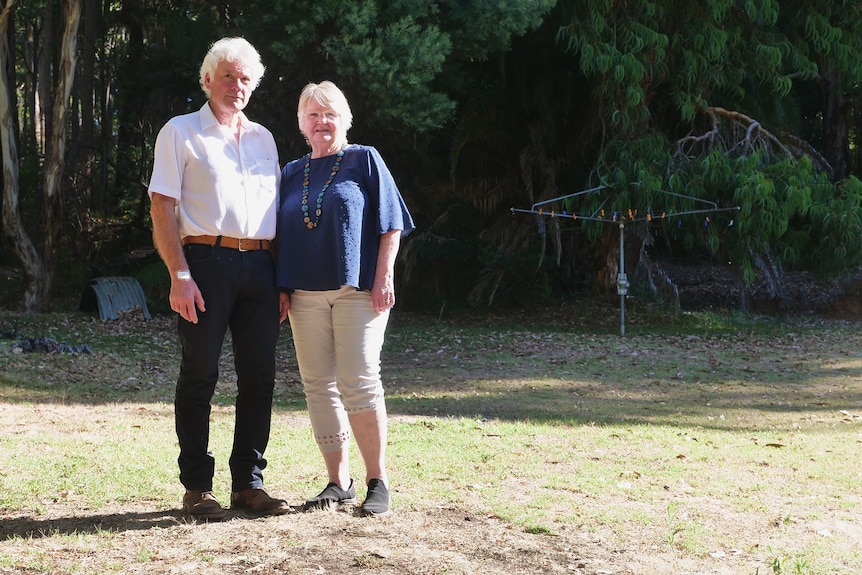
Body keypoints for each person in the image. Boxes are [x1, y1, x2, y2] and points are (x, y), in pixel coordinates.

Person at [148, 36, 291, 520]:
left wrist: (282, 279)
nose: (236, 86)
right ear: (207, 79)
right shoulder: (181, 131)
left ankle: (248, 486)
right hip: (205, 264)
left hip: (262, 268)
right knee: (200, 376)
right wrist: (179, 274)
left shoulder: (264, 138)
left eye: (245, 78)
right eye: (227, 76)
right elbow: (162, 206)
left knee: (260, 378)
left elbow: (276, 212)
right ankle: (197, 489)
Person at [276, 81, 415, 517]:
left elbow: (391, 224)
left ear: (345, 119)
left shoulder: (364, 159)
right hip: (303, 294)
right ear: (301, 122)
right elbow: (277, 236)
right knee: (319, 386)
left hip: (358, 292)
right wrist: (281, 289)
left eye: (330, 114)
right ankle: (338, 482)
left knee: (359, 380)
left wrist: (384, 277)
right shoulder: (290, 172)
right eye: (313, 115)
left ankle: (378, 480)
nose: (322, 122)